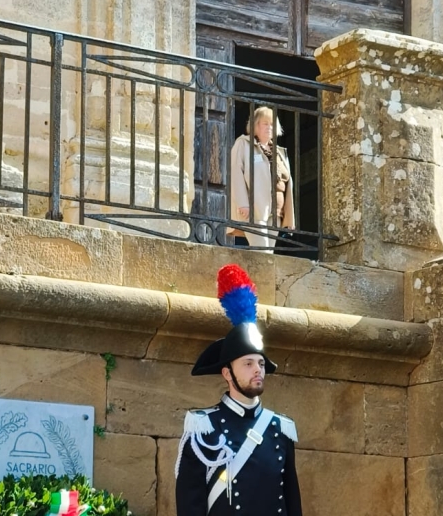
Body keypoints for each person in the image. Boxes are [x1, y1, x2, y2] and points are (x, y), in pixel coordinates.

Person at [175, 264, 301, 516]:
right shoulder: (203, 428)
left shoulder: (280, 429)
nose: (258, 370)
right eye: (248, 363)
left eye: (261, 363)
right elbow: (191, 505)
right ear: (226, 373)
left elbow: (291, 502)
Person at [228, 107, 295, 252]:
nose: (269, 127)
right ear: (255, 125)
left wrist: (289, 216)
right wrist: (243, 203)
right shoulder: (243, 144)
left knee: (268, 254)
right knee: (262, 251)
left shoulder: (280, 152)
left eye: (272, 124)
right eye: (265, 123)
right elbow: (235, 173)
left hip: (276, 211)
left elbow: (287, 183)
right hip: (255, 210)